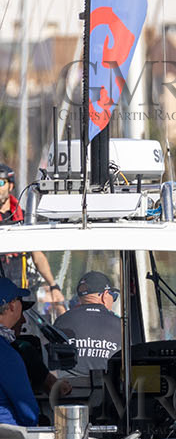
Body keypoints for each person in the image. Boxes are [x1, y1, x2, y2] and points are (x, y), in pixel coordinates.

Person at [0, 163, 63, 308]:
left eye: (1, 182)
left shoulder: (24, 218)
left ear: (10, 186)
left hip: (21, 292)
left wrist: (53, 285)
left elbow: (37, 254)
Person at [54, 271, 122, 380]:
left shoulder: (61, 321)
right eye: (113, 296)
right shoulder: (120, 325)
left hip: (67, 391)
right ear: (105, 295)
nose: (113, 301)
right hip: (108, 392)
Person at [0, 278, 40, 425]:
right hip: (7, 438)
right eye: (19, 300)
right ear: (11, 305)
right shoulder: (6, 354)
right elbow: (28, 412)